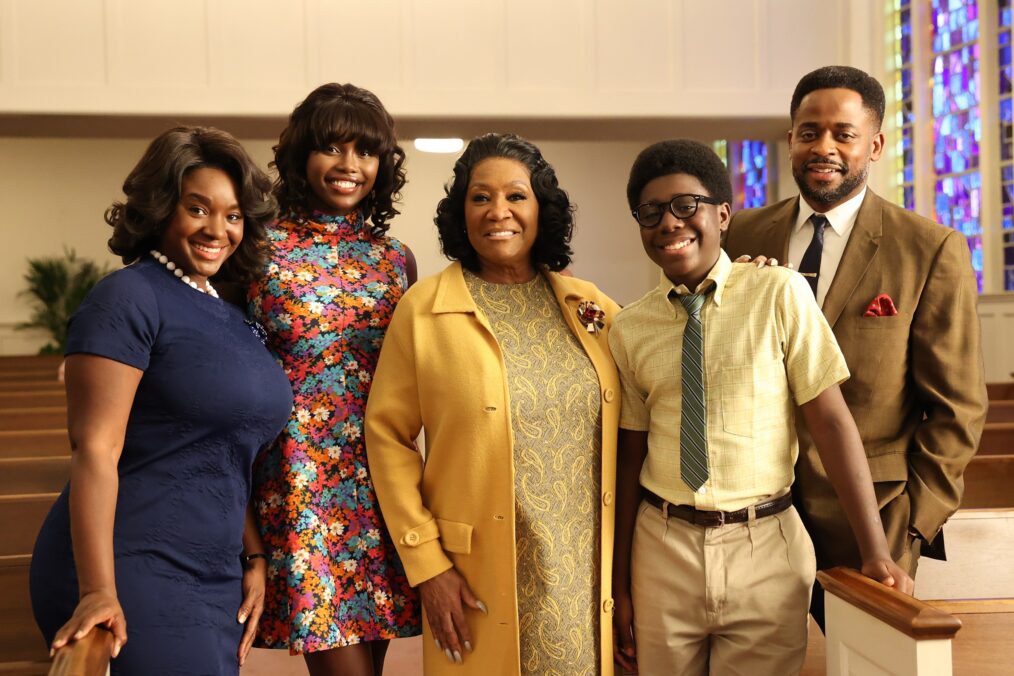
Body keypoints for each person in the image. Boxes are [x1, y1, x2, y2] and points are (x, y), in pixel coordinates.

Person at [609, 139, 913, 675]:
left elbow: (831, 421)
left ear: (723, 214)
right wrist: (620, 585)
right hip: (663, 546)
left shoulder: (780, 293)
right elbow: (630, 457)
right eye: (650, 212)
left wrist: (875, 551)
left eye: (686, 205)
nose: (670, 223)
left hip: (765, 544)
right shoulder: (629, 326)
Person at [723, 65, 988, 626]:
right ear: (791, 139)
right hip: (751, 510)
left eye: (843, 133)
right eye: (808, 131)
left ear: (874, 145)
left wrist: (914, 525)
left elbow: (957, 408)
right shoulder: (740, 235)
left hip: (876, 518)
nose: (824, 147)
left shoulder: (929, 249)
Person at [29, 126, 293, 675]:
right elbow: (94, 450)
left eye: (234, 214)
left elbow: (226, 449)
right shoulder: (127, 297)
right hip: (130, 560)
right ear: (158, 208)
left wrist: (255, 552)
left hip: (212, 569)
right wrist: (98, 590)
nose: (217, 229)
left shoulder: (235, 315)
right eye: (198, 208)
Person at [364, 133, 621, 676]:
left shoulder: (592, 308)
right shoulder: (424, 310)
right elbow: (386, 436)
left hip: (586, 575)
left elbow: (666, 366)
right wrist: (427, 564)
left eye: (516, 196)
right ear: (461, 212)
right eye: (480, 197)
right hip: (475, 573)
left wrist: (740, 279)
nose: (497, 212)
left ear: (541, 209)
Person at [247, 83, 421, 676]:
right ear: (300, 155)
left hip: (383, 480)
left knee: (368, 665)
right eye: (332, 148)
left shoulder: (395, 257)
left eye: (365, 152)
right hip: (301, 482)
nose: (350, 167)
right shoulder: (257, 246)